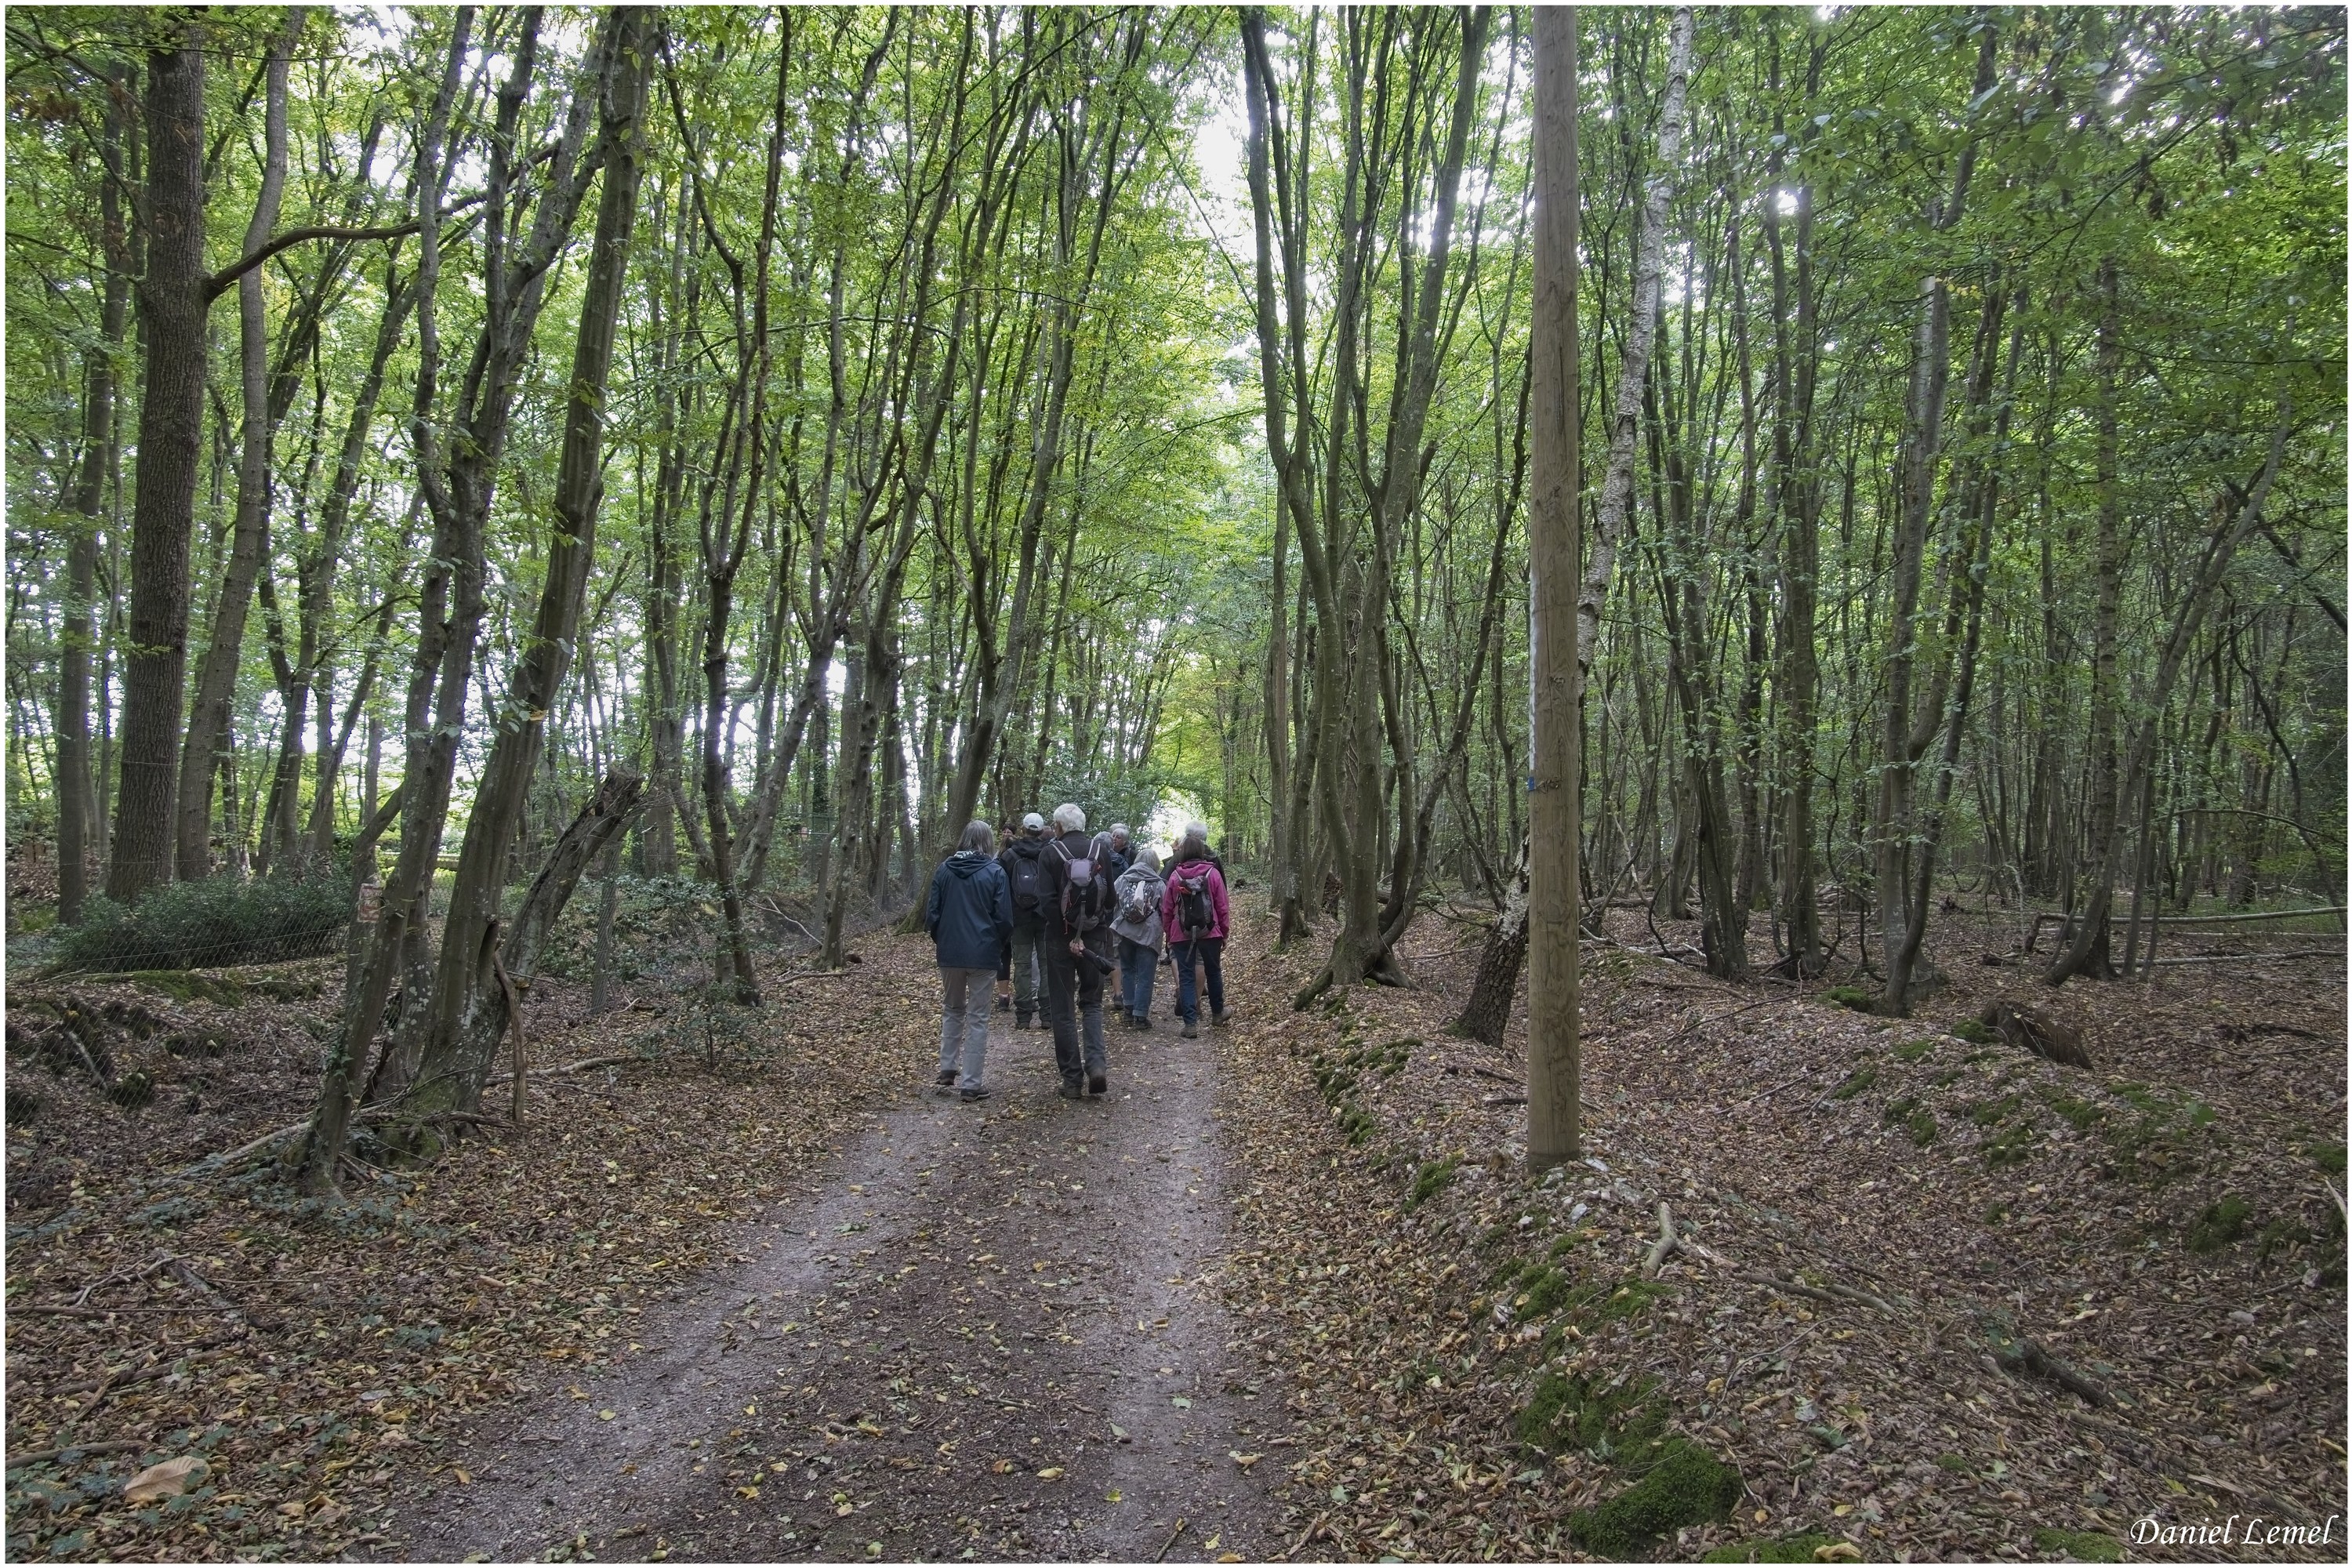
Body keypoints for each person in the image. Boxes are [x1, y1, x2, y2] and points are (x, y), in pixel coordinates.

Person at [925, 821, 1012, 1103]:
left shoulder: (944, 870)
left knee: (952, 1009)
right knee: (977, 1016)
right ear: (987, 842)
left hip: (950, 952)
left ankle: (947, 1067)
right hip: (983, 953)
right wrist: (996, 944)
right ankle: (971, 1083)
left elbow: (933, 914)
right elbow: (1004, 919)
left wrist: (943, 940)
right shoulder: (995, 872)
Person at [1039, 804, 1116, 1099]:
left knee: (1063, 1009)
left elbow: (1046, 901)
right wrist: (1090, 928)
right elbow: (1110, 898)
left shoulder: (1050, 853)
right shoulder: (1100, 850)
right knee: (1092, 1004)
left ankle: (1071, 1080)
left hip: (1059, 940)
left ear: (1059, 826)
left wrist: (1068, 934)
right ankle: (1096, 1066)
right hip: (1094, 938)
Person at [1161, 828, 1230, 1040]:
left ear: (1182, 852)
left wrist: (1169, 934)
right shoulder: (1213, 873)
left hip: (1181, 933)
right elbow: (1222, 906)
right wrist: (1224, 932)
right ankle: (1217, 1014)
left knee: (1186, 976)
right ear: (1201, 851)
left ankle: (1190, 1024)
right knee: (1214, 972)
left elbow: (1167, 909)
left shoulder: (1175, 876)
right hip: (1211, 932)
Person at [998, 812, 1051, 1029]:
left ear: (1022, 829)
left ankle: (1023, 1017)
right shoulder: (1049, 854)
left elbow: (1001, 889)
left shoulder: (1009, 855)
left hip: (1018, 918)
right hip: (1044, 917)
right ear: (1042, 831)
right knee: (1046, 965)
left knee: (1021, 965)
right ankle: (1047, 1015)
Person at [1109, 845, 1165, 1029]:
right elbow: (1165, 909)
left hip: (1125, 931)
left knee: (1127, 970)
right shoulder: (1158, 883)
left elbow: (1112, 903)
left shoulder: (1122, 879)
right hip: (1149, 934)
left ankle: (1128, 1010)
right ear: (1155, 864)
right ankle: (1140, 1017)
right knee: (1145, 976)